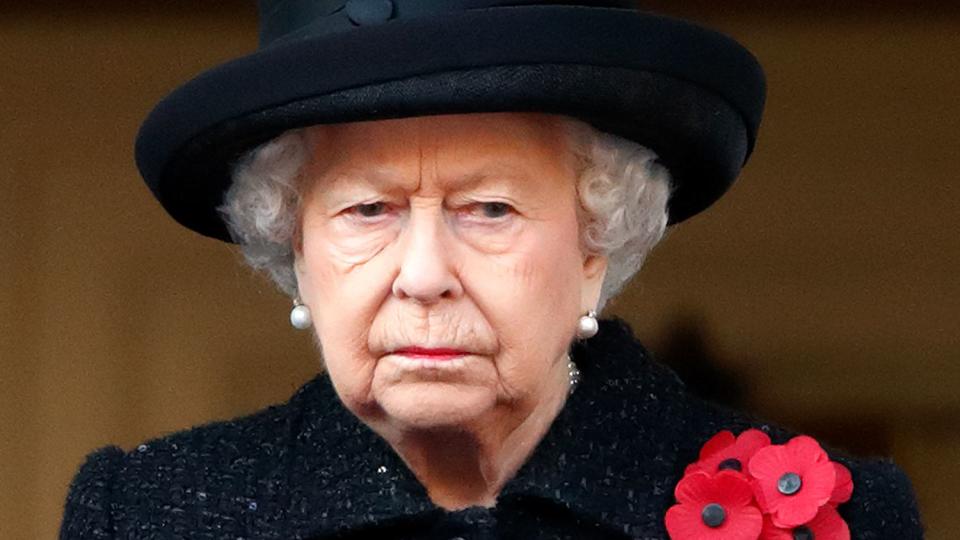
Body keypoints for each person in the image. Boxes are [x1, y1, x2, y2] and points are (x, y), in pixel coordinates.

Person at [60, 1, 924, 538]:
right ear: (296, 248)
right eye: (369, 210)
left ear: (596, 246)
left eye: (490, 210)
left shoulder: (839, 518)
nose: (423, 274)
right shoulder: (146, 513)